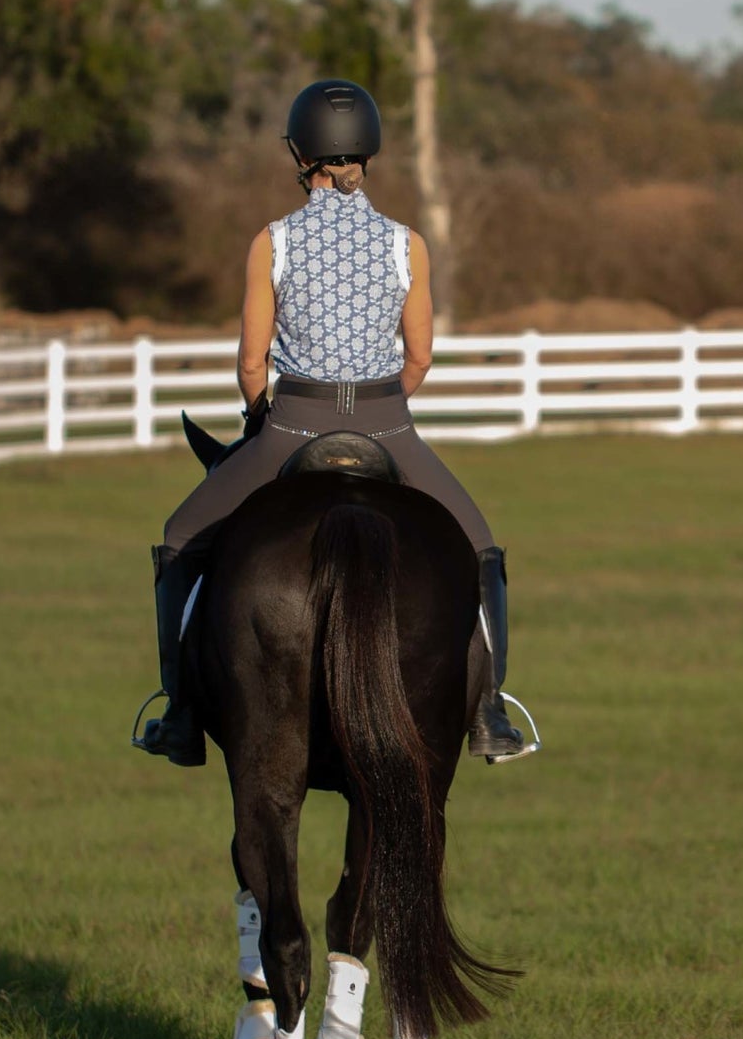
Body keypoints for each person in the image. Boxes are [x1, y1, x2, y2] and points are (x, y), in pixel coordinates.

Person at [134, 78, 528, 767]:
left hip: (292, 423)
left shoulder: (273, 241)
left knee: (178, 537)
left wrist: (261, 419)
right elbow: (421, 355)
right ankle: (491, 711)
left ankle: (179, 713)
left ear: (300, 152)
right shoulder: (407, 244)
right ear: (366, 151)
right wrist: (383, 406)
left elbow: (252, 364)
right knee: (479, 546)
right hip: (387, 424)